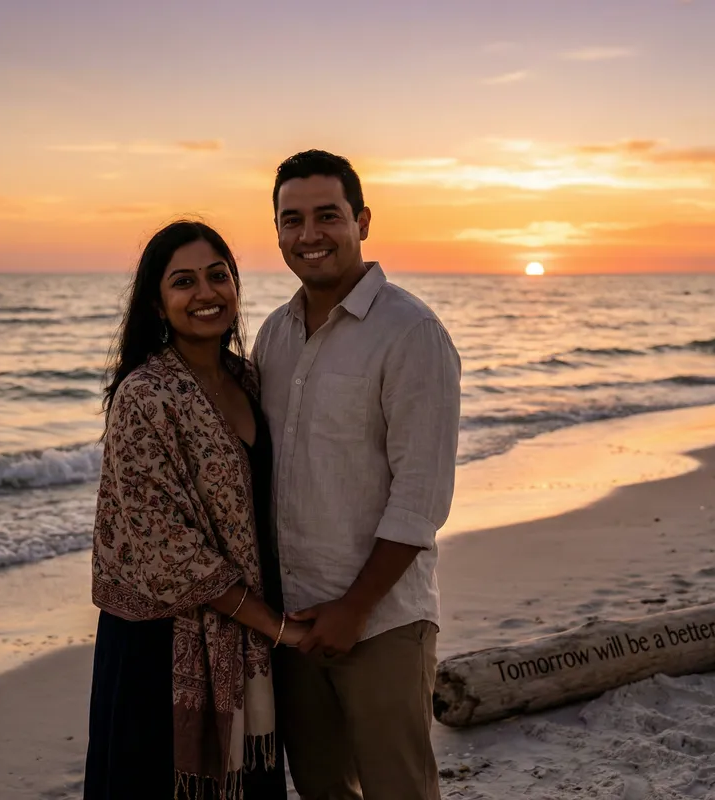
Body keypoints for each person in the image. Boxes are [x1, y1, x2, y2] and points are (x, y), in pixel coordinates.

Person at [252, 150, 462, 800]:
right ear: (278, 231)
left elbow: (421, 498)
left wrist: (353, 609)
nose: (308, 235)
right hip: (292, 625)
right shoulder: (273, 336)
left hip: (382, 624)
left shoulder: (411, 332)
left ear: (362, 220)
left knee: (399, 790)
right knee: (321, 790)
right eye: (292, 220)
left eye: (327, 216)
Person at [84, 220, 307, 800]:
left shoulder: (246, 379)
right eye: (183, 282)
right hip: (158, 650)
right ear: (158, 305)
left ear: (236, 286)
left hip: (240, 638)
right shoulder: (144, 394)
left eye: (218, 276)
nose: (206, 293)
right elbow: (165, 544)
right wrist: (276, 627)